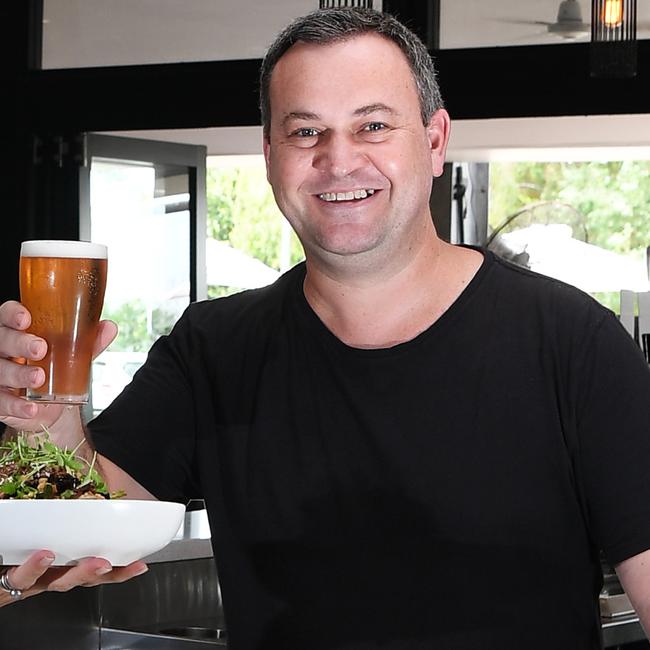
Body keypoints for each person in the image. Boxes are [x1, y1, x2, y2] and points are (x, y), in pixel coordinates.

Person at [1, 6, 650, 649]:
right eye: (306, 132)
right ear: (270, 156)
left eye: (372, 125)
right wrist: (53, 425)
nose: (339, 161)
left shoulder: (574, 345)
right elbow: (90, 521)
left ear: (434, 142)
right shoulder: (214, 348)